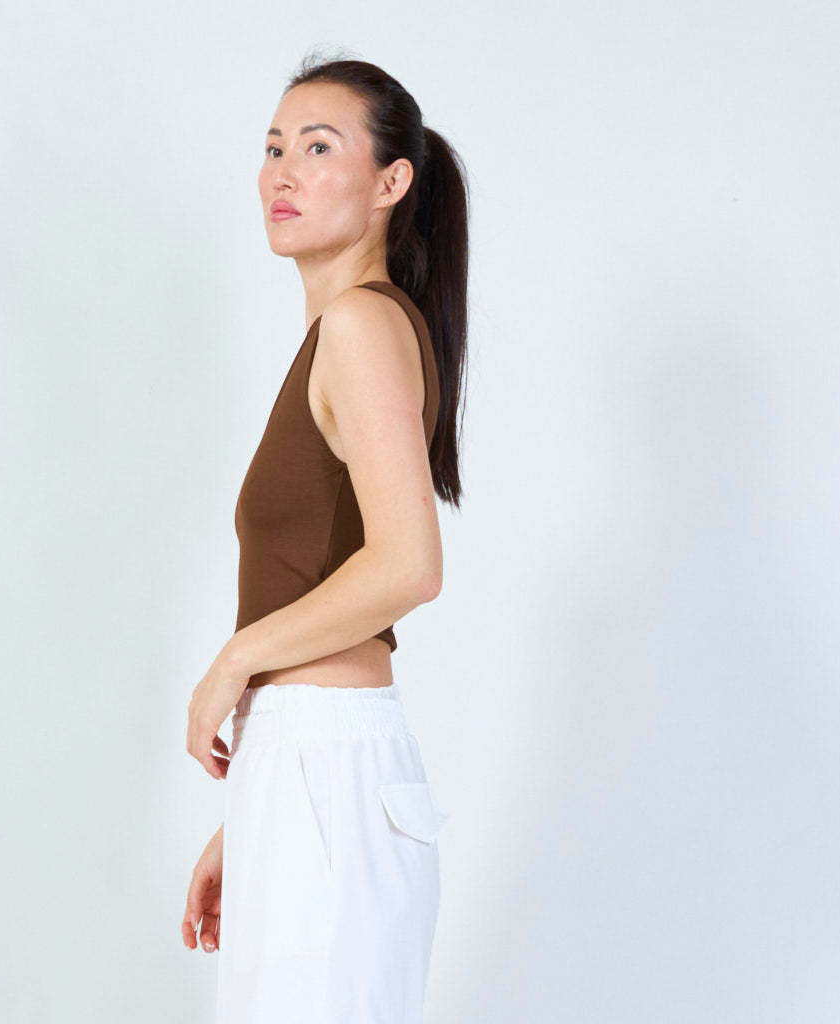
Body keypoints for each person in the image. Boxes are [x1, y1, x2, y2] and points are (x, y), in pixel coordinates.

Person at [180, 54, 470, 1022]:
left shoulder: (359, 325)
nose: (282, 173)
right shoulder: (347, 331)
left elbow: (408, 565)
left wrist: (233, 662)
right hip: (307, 768)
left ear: (392, 183)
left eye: (316, 148)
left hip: (327, 769)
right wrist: (253, 808)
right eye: (273, 149)